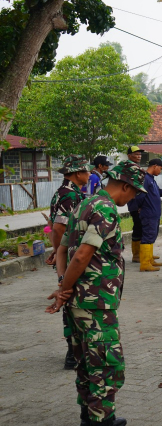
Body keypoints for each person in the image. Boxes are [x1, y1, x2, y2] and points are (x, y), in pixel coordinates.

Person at [45, 162, 147, 426]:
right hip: (95, 302)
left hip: (79, 301)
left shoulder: (83, 203)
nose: (133, 198)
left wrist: (63, 286)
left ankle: (89, 421)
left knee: (85, 362)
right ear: (125, 186)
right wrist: (64, 288)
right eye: (134, 192)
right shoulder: (106, 209)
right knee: (104, 363)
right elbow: (82, 256)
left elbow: (63, 249)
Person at [48, 155, 90, 370]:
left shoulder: (62, 193)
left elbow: (51, 225)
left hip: (67, 255)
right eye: (86, 171)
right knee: (72, 302)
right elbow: (57, 228)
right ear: (77, 173)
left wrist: (56, 252)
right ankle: (72, 353)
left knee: (72, 300)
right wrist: (58, 252)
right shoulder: (69, 196)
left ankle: (74, 351)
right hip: (72, 257)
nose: (89, 174)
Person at [125, 146, 146, 264]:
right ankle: (136, 255)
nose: (139, 156)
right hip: (135, 202)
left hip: (140, 202)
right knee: (138, 226)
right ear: (129, 156)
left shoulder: (136, 167)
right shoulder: (130, 169)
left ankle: (142, 252)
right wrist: (139, 205)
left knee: (142, 227)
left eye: (140, 154)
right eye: (136, 154)